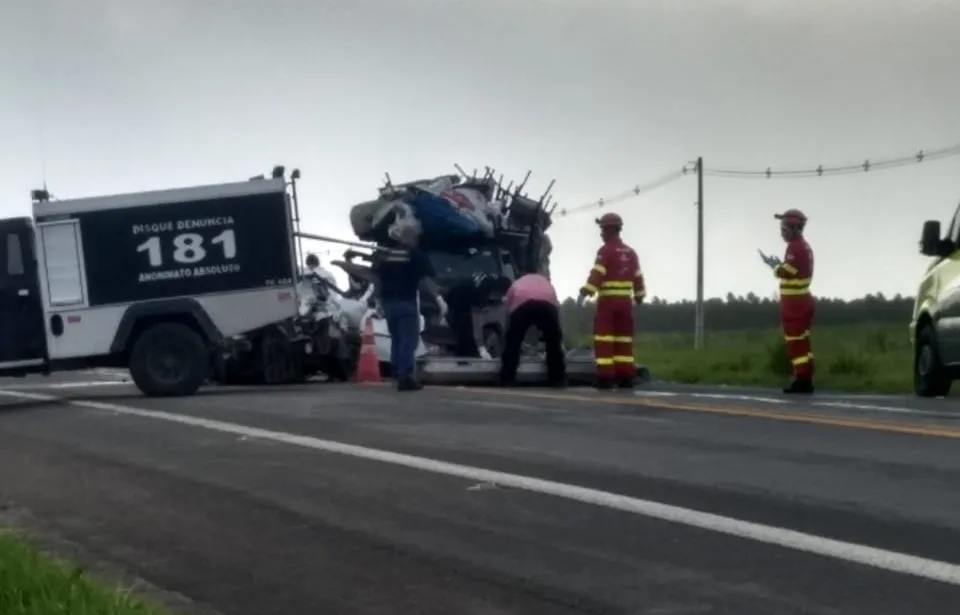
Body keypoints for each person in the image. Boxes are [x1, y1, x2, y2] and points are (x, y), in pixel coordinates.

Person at [371, 226, 447, 391]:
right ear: (412, 238)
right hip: (406, 302)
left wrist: (377, 301)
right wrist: (439, 298)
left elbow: (377, 280)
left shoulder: (386, 254)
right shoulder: (416, 254)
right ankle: (405, 376)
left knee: (397, 339)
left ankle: (398, 372)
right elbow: (425, 280)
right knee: (408, 340)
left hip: (389, 304)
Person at [577, 213, 645, 390]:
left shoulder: (605, 250)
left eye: (602, 229)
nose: (601, 233)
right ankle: (625, 377)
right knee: (624, 341)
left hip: (608, 303)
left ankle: (605, 378)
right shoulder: (631, 253)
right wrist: (639, 295)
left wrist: (587, 291)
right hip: (625, 304)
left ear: (609, 229)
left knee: (604, 339)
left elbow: (598, 273)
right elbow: (638, 277)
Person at [768, 209, 815, 394]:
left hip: (795, 304)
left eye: (784, 228)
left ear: (795, 228)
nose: (782, 232)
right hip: (801, 301)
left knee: (795, 342)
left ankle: (802, 380)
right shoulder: (803, 246)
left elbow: (787, 271)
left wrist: (775, 266)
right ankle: (805, 378)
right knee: (803, 343)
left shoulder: (795, 247)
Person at [499, 272, 566, 387]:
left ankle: (507, 378)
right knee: (553, 343)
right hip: (547, 306)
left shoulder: (517, 282)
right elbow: (555, 304)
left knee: (513, 342)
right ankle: (557, 379)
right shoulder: (546, 282)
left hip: (523, 306)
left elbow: (508, 305)